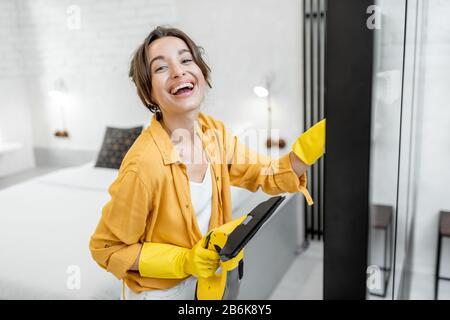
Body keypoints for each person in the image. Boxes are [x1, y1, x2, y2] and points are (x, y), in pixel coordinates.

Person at [89, 26, 325, 300]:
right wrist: (184, 261)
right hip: (162, 295)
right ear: (149, 93)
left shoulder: (215, 134)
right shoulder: (143, 165)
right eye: (161, 68)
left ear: (201, 73)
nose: (179, 71)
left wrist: (308, 149)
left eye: (186, 60)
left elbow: (268, 175)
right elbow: (106, 248)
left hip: (212, 285)